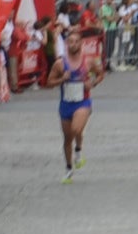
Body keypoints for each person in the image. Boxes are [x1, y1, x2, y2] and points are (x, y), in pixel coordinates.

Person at [44, 25, 103, 178]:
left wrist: (93, 83)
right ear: (66, 44)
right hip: (66, 104)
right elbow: (49, 83)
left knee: (76, 129)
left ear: (81, 43)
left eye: (76, 42)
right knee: (67, 138)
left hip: (82, 102)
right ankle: (69, 168)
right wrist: (61, 79)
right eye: (70, 42)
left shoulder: (88, 61)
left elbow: (101, 74)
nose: (73, 44)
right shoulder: (60, 64)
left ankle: (79, 148)